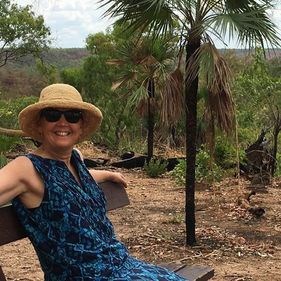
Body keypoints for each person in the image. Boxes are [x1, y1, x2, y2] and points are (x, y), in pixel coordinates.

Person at [0, 83, 187, 281]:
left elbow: (71, 182)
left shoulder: (75, 159)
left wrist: (106, 174)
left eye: (72, 116)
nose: (63, 122)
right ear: (39, 124)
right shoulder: (25, 168)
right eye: (52, 115)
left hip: (119, 264)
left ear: (80, 127)